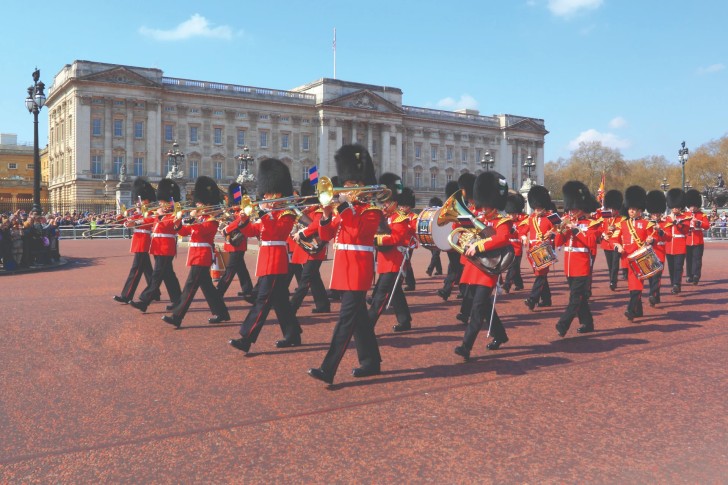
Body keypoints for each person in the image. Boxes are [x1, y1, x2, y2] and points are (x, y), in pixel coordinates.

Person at [308, 144, 383, 385]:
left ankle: (327, 368)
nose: (347, 189)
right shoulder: (345, 210)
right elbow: (327, 235)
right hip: (344, 268)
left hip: (359, 269)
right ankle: (371, 361)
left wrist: (342, 207)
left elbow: (359, 232)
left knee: (345, 320)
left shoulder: (372, 210)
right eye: (346, 184)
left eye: (352, 185)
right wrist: (327, 214)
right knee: (359, 318)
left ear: (363, 186)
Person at [229, 158, 303, 353]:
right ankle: (293, 333)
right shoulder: (269, 213)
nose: (267, 197)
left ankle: (246, 338)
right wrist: (243, 221)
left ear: (280, 193)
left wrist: (265, 215)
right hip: (267, 260)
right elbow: (255, 230)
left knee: (262, 301)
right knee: (280, 301)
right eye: (266, 193)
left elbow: (277, 232)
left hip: (276, 260)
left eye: (271, 193)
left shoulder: (287, 214)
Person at [453, 171, 511, 361]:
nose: (483, 209)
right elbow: (460, 231)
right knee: (484, 306)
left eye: (486, 206)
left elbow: (502, 237)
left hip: (488, 270)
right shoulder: (477, 218)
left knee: (477, 308)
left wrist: (479, 245)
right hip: (472, 268)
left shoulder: (503, 221)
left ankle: (466, 346)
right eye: (482, 205)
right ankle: (500, 335)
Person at [160, 176, 229, 327]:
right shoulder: (200, 218)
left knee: (190, 286)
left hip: (202, 256)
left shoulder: (211, 220)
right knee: (207, 287)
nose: (196, 205)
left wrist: (193, 219)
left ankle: (177, 316)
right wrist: (178, 225)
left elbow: (202, 231)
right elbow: (185, 232)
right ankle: (221, 312)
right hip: (197, 254)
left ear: (207, 204)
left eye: (199, 202)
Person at [368, 174, 415, 333]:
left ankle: (367, 327)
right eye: (384, 202)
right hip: (384, 261)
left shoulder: (400, 219)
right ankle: (405, 320)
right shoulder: (384, 217)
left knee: (380, 296)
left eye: (387, 202)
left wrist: (376, 239)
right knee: (396, 293)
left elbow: (395, 238)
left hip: (394, 262)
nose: (385, 205)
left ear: (395, 202)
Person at [553, 181, 600, 336]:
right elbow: (558, 243)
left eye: (574, 208)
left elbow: (592, 243)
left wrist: (576, 231)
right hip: (569, 266)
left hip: (582, 266)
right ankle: (588, 323)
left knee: (574, 299)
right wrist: (561, 231)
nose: (572, 211)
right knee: (580, 299)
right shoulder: (567, 222)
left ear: (581, 208)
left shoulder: (591, 224)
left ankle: (563, 324)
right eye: (571, 208)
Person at [130, 179, 183, 312]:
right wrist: (136, 222)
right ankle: (178, 300)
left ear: (169, 202)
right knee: (168, 275)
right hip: (158, 247)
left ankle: (144, 300)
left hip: (166, 248)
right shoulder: (161, 213)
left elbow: (169, 226)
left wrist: (160, 216)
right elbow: (148, 221)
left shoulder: (174, 214)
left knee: (157, 275)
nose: (159, 204)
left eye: (162, 202)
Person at [612, 186, 656, 321]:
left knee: (636, 284)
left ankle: (631, 310)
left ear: (640, 211)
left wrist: (651, 240)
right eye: (630, 209)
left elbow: (653, 237)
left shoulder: (647, 224)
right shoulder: (622, 224)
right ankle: (639, 311)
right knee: (632, 284)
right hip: (627, 258)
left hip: (641, 258)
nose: (631, 211)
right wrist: (618, 246)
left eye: (634, 209)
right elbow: (614, 238)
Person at [114, 178, 158, 304]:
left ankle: (127, 295)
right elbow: (129, 221)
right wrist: (121, 218)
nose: (138, 202)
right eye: (137, 200)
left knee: (136, 269)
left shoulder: (151, 212)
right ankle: (155, 292)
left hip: (144, 241)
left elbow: (149, 221)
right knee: (146, 268)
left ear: (148, 200)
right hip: (138, 241)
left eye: (141, 200)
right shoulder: (137, 212)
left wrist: (135, 222)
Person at [290, 179, 331, 314]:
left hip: (314, 249)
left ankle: (292, 307)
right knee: (314, 278)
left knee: (305, 280)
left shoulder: (319, 210)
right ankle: (323, 305)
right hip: (306, 248)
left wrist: (302, 234)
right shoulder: (308, 209)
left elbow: (316, 225)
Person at [216, 182, 254, 299]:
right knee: (240, 268)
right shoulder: (234, 211)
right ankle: (248, 289)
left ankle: (219, 291)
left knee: (230, 270)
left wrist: (226, 228)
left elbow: (237, 223)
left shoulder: (243, 211)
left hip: (238, 243)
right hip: (232, 243)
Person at [523, 185, 556, 311]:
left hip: (544, 248)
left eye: (539, 208)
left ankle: (533, 299)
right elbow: (522, 230)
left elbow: (561, 229)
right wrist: (523, 237)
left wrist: (552, 232)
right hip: (532, 249)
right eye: (535, 208)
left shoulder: (550, 217)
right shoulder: (530, 218)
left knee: (540, 275)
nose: (537, 211)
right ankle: (546, 299)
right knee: (541, 274)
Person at [437, 181, 464, 301]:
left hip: (461, 242)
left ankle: (447, 290)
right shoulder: (447, 208)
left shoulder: (464, 208)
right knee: (455, 266)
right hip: (452, 242)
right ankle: (452, 290)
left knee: (457, 267)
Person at [645, 190, 669, 306]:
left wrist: (660, 231)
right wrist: (648, 241)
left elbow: (668, 237)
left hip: (660, 252)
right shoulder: (647, 224)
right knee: (651, 277)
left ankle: (652, 295)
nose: (655, 215)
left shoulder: (665, 224)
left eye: (657, 213)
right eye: (653, 213)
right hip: (650, 253)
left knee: (657, 276)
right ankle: (656, 296)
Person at [664, 188, 689, 294]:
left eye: (677, 207)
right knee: (671, 267)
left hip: (680, 245)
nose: (675, 209)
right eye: (673, 207)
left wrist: (677, 223)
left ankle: (676, 285)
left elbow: (686, 229)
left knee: (678, 266)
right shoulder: (666, 218)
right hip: (669, 245)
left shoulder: (685, 217)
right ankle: (673, 283)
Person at [600, 190, 624, 291]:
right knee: (610, 264)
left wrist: (615, 229)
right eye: (610, 208)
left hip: (616, 244)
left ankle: (613, 281)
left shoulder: (621, 219)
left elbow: (623, 230)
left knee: (615, 263)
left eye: (613, 209)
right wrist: (603, 235)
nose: (611, 211)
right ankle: (611, 278)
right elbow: (600, 228)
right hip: (606, 244)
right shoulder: (605, 218)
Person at [502, 192, 527, 294]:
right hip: (508, 247)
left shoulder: (522, 220)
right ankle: (519, 283)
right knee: (515, 268)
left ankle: (507, 285)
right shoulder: (506, 221)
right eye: (509, 214)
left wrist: (515, 231)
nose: (511, 216)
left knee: (512, 267)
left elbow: (522, 232)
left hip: (517, 248)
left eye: (513, 214)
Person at [684, 189, 709, 285]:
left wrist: (698, 223)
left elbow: (706, 226)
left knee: (697, 260)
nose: (692, 208)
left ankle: (696, 275)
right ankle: (689, 275)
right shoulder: (685, 215)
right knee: (689, 259)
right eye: (691, 206)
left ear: (697, 205)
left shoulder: (702, 215)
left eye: (694, 206)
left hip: (698, 241)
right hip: (687, 241)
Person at [399, 188, 418, 291]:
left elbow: (414, 229)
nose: (402, 208)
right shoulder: (399, 216)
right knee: (406, 263)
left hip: (409, 243)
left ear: (409, 207)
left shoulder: (413, 217)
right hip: (400, 243)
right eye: (401, 206)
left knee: (404, 262)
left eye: (405, 206)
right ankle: (411, 283)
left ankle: (400, 283)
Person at [425, 196, 444, 276]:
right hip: (432, 236)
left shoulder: (441, 214)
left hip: (439, 236)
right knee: (434, 253)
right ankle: (439, 270)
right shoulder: (430, 214)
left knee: (435, 253)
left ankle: (430, 269)